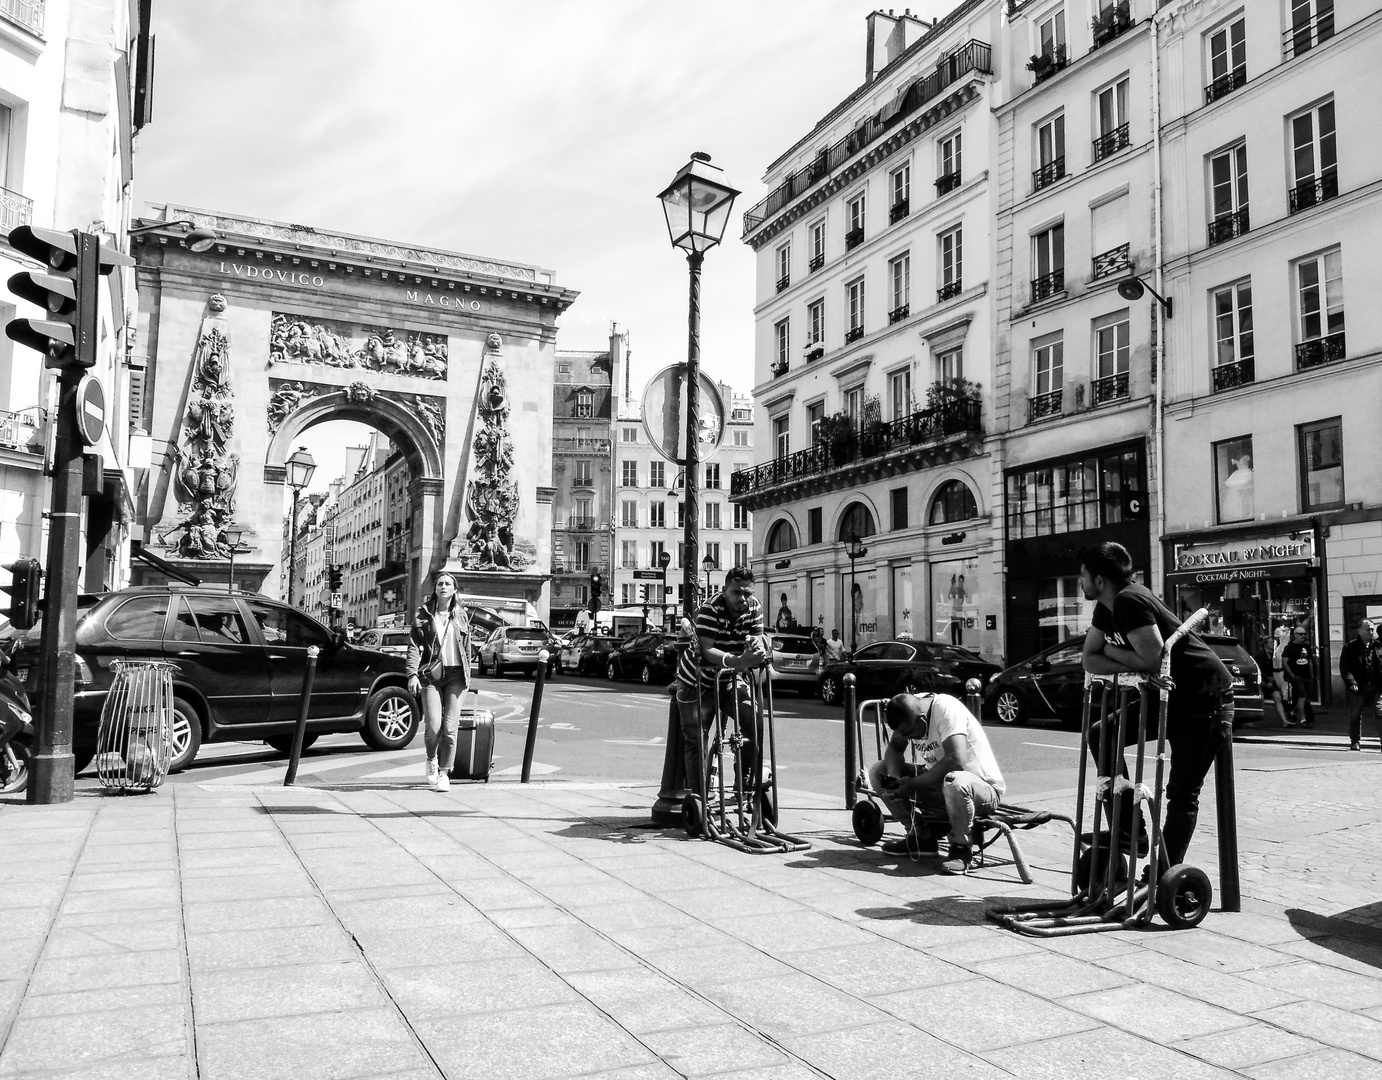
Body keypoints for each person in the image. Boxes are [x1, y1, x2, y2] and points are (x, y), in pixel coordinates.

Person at [1079, 542, 1233, 868]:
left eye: (1083, 575)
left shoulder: (1128, 600)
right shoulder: (1107, 607)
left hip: (1205, 697)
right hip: (1168, 694)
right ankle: (1128, 833)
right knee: (1102, 734)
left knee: (1181, 792)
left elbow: (1152, 656)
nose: (1081, 581)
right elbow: (1089, 659)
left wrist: (1112, 654)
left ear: (1100, 580)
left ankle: (1165, 874)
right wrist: (1121, 659)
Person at [867, 692, 1005, 874]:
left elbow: (956, 760)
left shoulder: (946, 709)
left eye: (909, 733)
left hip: (980, 788)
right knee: (878, 771)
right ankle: (920, 837)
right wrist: (894, 779)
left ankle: (962, 847)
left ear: (922, 719)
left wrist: (914, 784)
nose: (908, 738)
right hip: (942, 785)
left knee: (954, 780)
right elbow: (894, 748)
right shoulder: (910, 710)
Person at [674, 565, 769, 795]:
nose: (743, 598)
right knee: (697, 737)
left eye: (748, 593)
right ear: (725, 590)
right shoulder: (711, 609)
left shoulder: (754, 607)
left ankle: (744, 784)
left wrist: (757, 646)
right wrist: (739, 661)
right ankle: (700, 799)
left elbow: (757, 639)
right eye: (737, 592)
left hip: (727, 679)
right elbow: (707, 651)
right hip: (696, 682)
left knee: (753, 719)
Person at [406, 571, 473, 792]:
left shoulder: (461, 615)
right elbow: (414, 647)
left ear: (455, 589)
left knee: (450, 728)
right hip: (432, 677)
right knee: (433, 727)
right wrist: (412, 674)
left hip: (456, 676)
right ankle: (431, 759)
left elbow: (467, 648)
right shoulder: (424, 615)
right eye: (440, 584)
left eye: (448, 584)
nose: (443, 587)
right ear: (435, 588)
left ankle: (445, 773)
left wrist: (467, 675)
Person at [1339, 619, 1382, 752]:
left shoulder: (1378, 645)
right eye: (1368, 629)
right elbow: (1344, 667)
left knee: (1380, 713)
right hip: (1359, 686)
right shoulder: (1350, 647)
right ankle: (1355, 741)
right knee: (1355, 714)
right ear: (1359, 630)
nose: (1371, 632)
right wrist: (1351, 683)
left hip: (1376, 685)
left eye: (1372, 629)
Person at [1281, 626, 1316, 727]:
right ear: (1294, 635)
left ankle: (1292, 711)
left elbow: (1309, 661)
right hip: (1297, 676)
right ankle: (1302, 719)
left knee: (1306, 698)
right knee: (1302, 697)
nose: (1303, 636)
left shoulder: (1307, 647)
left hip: (1307, 676)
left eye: (1304, 634)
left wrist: (1312, 675)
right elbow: (1284, 662)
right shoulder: (1289, 647)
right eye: (1300, 634)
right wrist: (1292, 675)